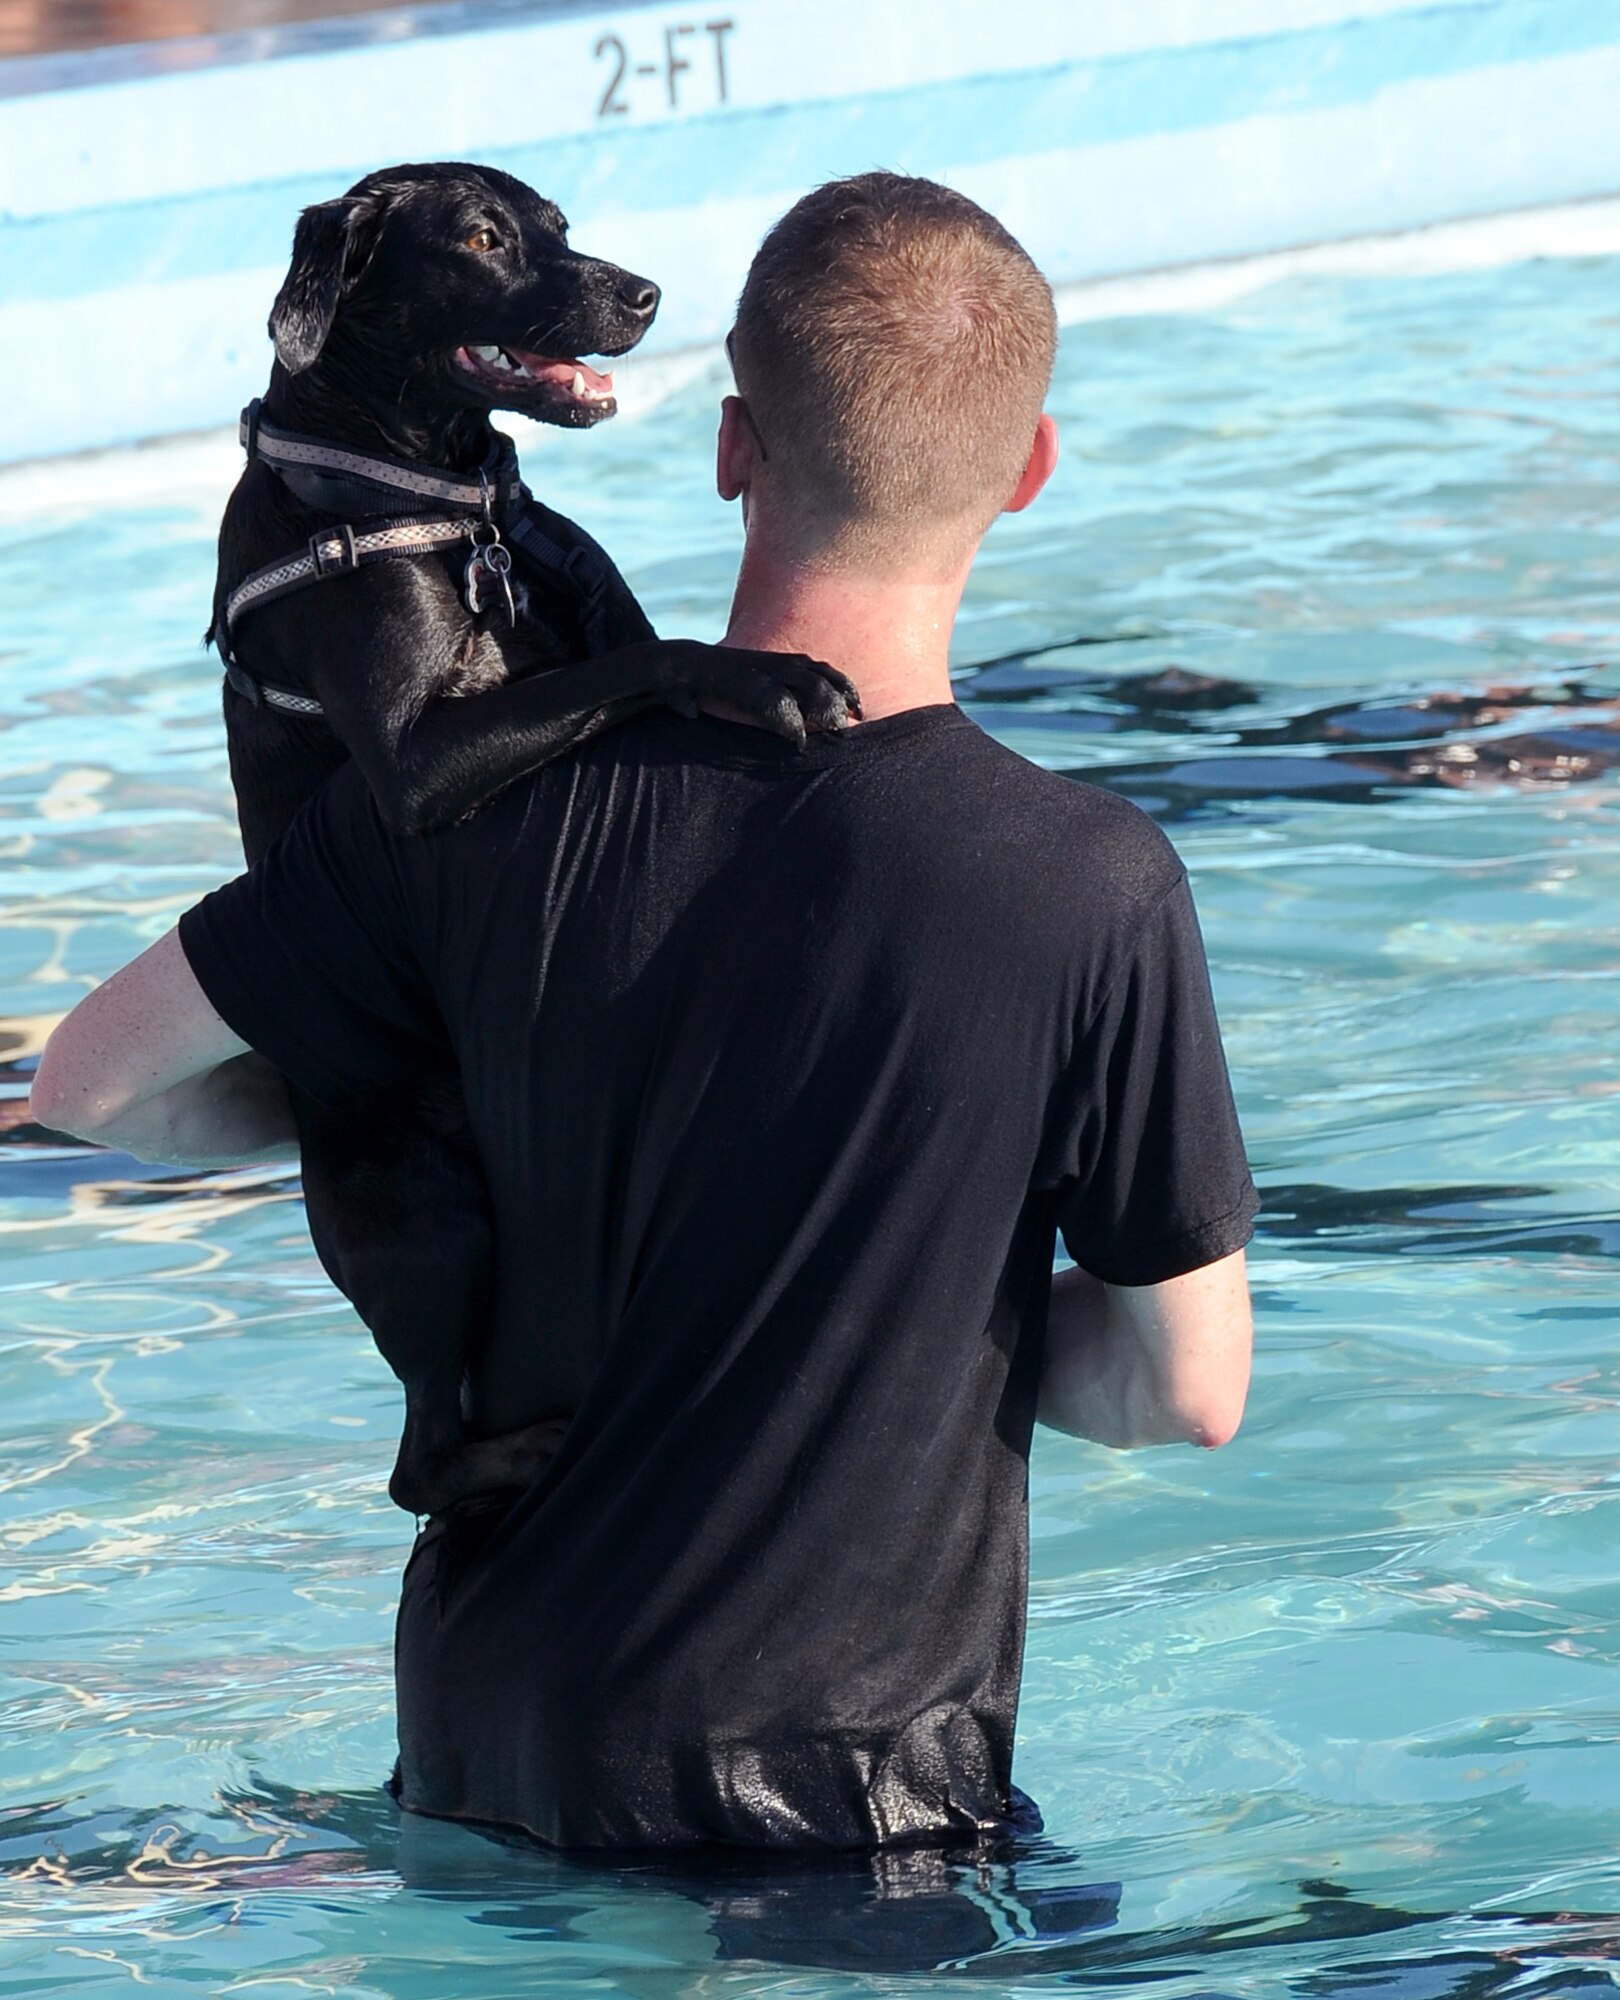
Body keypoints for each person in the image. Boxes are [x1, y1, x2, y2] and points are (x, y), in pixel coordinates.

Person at [31, 172, 1258, 1851]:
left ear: (734, 447)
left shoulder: (447, 818)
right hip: (840, 1800)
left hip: (484, 1751)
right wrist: (869, 1298)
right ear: (1030, 468)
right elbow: (1181, 1392)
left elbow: (92, 1085)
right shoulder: (1087, 885)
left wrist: (399, 1080)